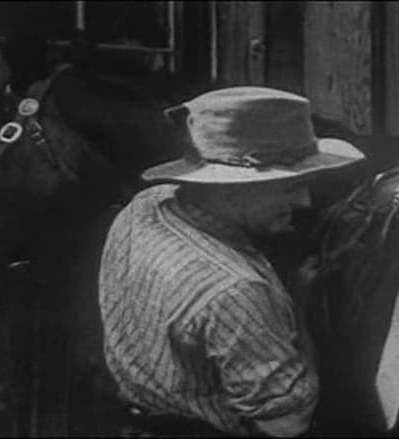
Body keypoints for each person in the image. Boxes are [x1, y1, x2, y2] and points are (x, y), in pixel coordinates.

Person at [98, 86, 365, 436]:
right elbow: (287, 424)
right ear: (230, 185)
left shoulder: (145, 206)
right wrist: (300, 312)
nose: (304, 201)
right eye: (289, 186)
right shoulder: (237, 290)